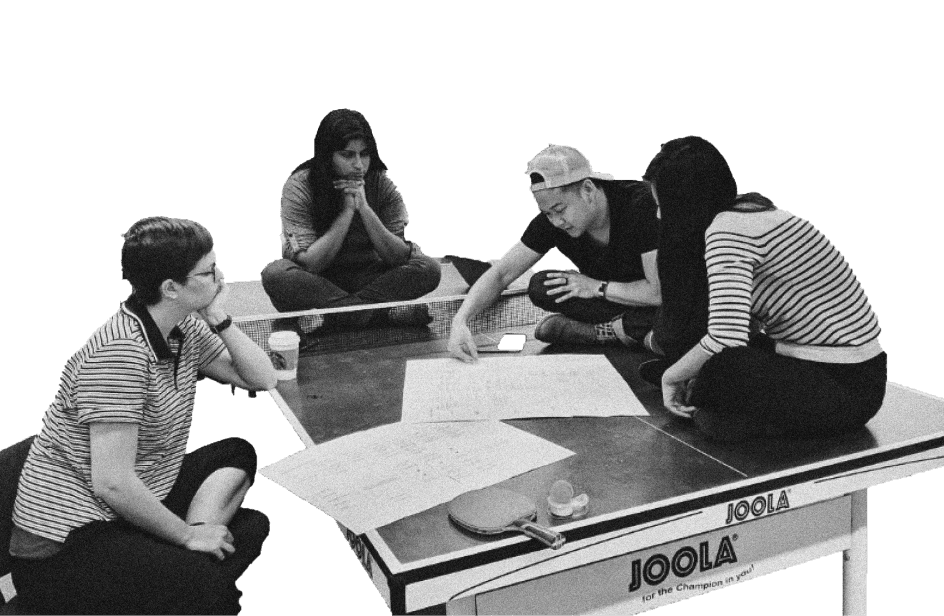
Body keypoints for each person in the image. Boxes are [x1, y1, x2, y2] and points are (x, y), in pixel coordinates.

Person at [9, 217, 278, 614]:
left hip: (135, 498)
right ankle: (192, 571)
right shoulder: (117, 354)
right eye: (208, 272)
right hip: (65, 546)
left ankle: (188, 565)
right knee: (216, 579)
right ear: (171, 288)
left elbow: (261, 377)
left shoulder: (182, 325)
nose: (221, 278)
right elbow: (112, 484)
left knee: (236, 454)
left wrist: (220, 319)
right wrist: (185, 535)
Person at [643, 136, 886, 441]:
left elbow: (726, 339)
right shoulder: (752, 212)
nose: (659, 216)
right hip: (847, 372)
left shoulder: (726, 232)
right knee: (719, 362)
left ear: (686, 203)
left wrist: (671, 377)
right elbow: (746, 327)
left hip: (846, 387)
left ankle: (703, 393)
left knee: (721, 371)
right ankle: (703, 389)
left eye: (663, 206)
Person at [449, 144, 661, 362]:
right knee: (542, 285)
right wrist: (460, 321)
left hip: (655, 298)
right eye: (547, 213)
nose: (556, 222)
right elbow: (502, 273)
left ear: (587, 190)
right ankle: (630, 331)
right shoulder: (552, 222)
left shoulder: (641, 206)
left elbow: (658, 292)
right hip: (613, 302)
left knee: (677, 318)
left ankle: (601, 333)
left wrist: (596, 287)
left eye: (560, 210)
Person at [261, 109, 441, 332]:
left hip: (371, 280)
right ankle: (375, 314)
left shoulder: (380, 182)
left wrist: (364, 209)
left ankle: (342, 316)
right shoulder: (298, 186)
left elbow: (397, 256)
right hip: (320, 284)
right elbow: (311, 263)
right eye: (347, 155)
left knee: (429, 268)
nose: (359, 165)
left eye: (364, 154)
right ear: (328, 155)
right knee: (275, 274)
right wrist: (347, 212)